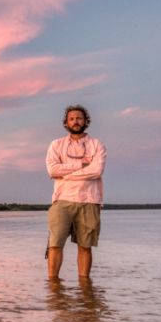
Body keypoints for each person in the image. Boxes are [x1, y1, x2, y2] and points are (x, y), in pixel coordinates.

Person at [45, 104, 106, 280]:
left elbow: (97, 171)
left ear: (86, 121)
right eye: (72, 119)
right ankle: (53, 285)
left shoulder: (96, 144)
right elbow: (53, 171)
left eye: (79, 118)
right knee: (55, 244)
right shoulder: (56, 144)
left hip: (90, 199)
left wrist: (68, 175)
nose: (76, 121)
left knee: (85, 246)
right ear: (66, 122)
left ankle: (85, 289)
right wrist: (80, 165)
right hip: (62, 200)